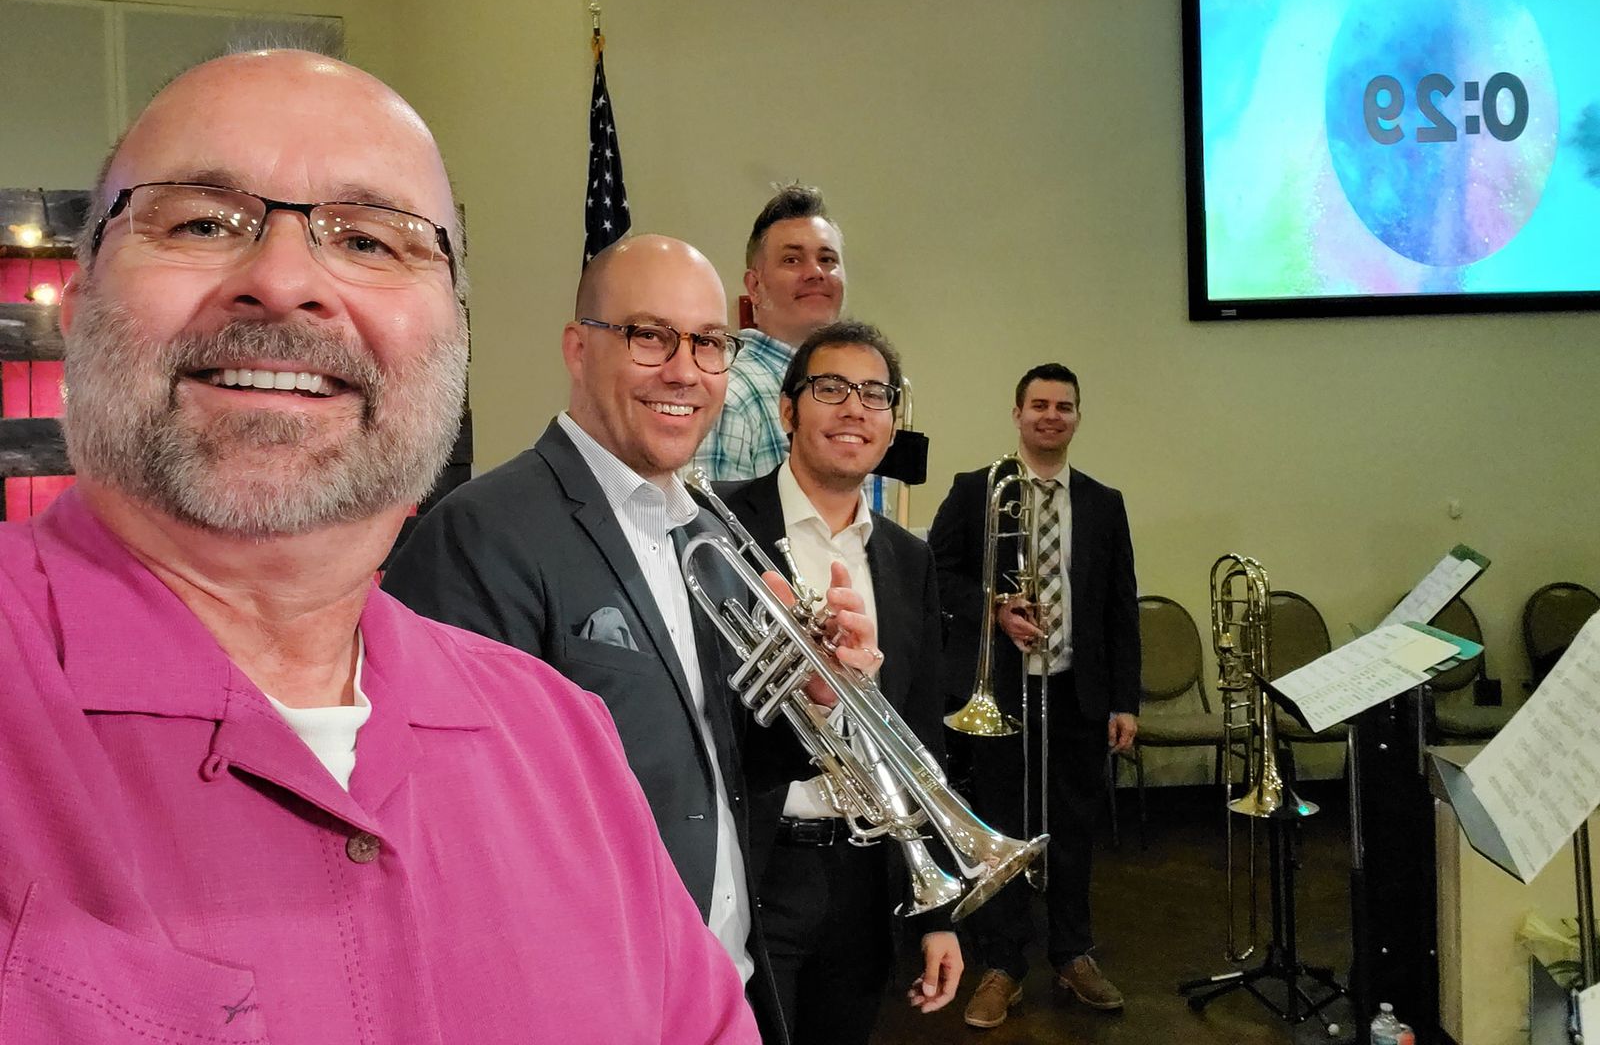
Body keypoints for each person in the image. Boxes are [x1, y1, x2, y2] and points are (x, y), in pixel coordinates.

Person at [0, 49, 754, 1044]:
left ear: (455, 340)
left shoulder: (567, 740)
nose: (283, 282)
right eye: (200, 223)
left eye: (369, 240)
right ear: (80, 301)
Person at [381, 236, 880, 1043]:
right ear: (579, 349)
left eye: (709, 343)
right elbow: (452, 838)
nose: (685, 370)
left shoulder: (708, 529)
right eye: (650, 336)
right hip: (591, 1010)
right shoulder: (481, 532)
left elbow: (722, 762)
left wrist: (813, 699)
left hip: (727, 989)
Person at [716, 320, 962, 1044]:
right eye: (831, 388)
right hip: (754, 863)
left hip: (865, 876)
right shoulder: (715, 524)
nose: (855, 407)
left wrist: (936, 913)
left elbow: (920, 736)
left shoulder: (909, 560)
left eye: (875, 394)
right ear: (787, 410)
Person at [928, 363, 1140, 1030]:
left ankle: (1073, 953)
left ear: (1077, 417)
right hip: (1003, 691)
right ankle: (1003, 965)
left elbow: (1119, 606)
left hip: (1078, 691)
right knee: (1001, 831)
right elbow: (938, 573)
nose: (1052, 416)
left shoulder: (1104, 502)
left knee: (1074, 829)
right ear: (1017, 413)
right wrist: (994, 609)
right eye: (1040, 405)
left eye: (1064, 406)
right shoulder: (976, 490)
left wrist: (1125, 700)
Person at [691, 184, 845, 481]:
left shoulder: (858, 398)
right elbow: (709, 512)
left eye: (827, 259)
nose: (816, 273)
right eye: (792, 259)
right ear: (754, 286)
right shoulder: (731, 396)